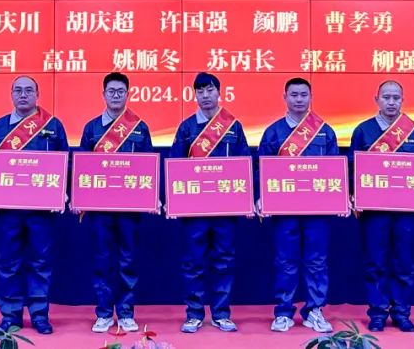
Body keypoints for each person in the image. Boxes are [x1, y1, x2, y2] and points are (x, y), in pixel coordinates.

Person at [0, 75, 68, 335]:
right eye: (18, 90)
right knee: (8, 262)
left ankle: (40, 315)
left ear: (37, 95)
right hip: (8, 210)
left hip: (42, 210)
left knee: (41, 262)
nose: (23, 95)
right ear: (11, 95)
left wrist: (63, 192)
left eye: (28, 90)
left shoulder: (53, 125)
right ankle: (10, 316)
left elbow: (65, 161)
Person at [169, 72, 250, 334]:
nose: (205, 96)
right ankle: (194, 313)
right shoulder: (186, 128)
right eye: (200, 91)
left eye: (210, 90)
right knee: (193, 261)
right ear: (195, 95)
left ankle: (221, 313)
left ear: (219, 92)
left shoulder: (233, 126)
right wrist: (173, 200)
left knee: (224, 260)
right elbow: (175, 165)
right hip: (195, 210)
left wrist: (247, 199)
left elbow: (245, 164)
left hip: (225, 208)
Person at [350, 80, 414, 333]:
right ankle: (377, 312)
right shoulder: (363, 131)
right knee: (376, 263)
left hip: (407, 211)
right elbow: (352, 168)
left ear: (402, 100)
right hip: (374, 211)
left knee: (404, 263)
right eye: (386, 97)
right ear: (377, 99)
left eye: (396, 97)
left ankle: (401, 312)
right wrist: (353, 195)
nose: (391, 102)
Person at [257, 77, 337, 334]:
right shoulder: (273, 132)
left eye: (304, 94)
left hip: (317, 211)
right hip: (285, 210)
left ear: (311, 97)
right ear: (285, 97)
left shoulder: (325, 131)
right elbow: (261, 169)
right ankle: (283, 312)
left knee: (317, 261)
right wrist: (260, 196)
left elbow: (335, 170)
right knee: (285, 261)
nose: (299, 99)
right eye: (294, 95)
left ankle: (315, 310)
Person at [78, 72, 154, 334]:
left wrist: (151, 196)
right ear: (103, 94)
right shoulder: (91, 128)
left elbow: (148, 166)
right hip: (100, 209)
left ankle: (126, 312)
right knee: (102, 259)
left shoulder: (139, 127)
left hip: (129, 209)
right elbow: (82, 167)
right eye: (111, 91)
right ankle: (103, 313)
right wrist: (79, 197)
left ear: (128, 94)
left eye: (121, 91)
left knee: (127, 260)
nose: (116, 96)